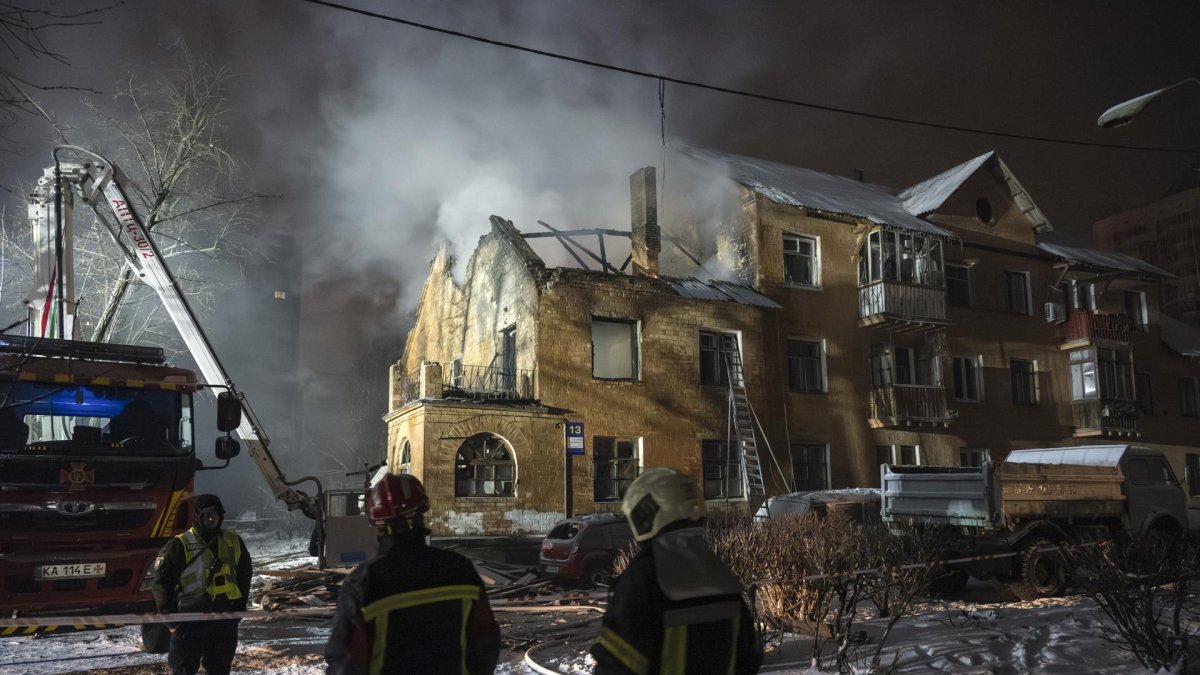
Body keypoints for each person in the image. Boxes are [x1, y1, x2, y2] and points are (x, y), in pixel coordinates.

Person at [590, 467, 762, 675]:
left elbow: (616, 667)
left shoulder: (643, 580)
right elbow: (749, 660)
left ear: (645, 513)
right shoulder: (722, 577)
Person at [324, 474, 500, 675]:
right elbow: (485, 641)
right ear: (421, 513)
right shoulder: (460, 569)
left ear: (377, 524)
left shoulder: (363, 582)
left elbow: (347, 661)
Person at [152, 493, 252, 675]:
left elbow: (244, 575)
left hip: (224, 619)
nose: (213, 519)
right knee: (183, 669)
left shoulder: (233, 540)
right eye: (208, 515)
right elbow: (161, 584)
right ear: (198, 516)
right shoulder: (179, 544)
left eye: (217, 514)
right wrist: (171, 620)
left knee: (220, 669)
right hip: (190, 620)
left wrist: (239, 608)